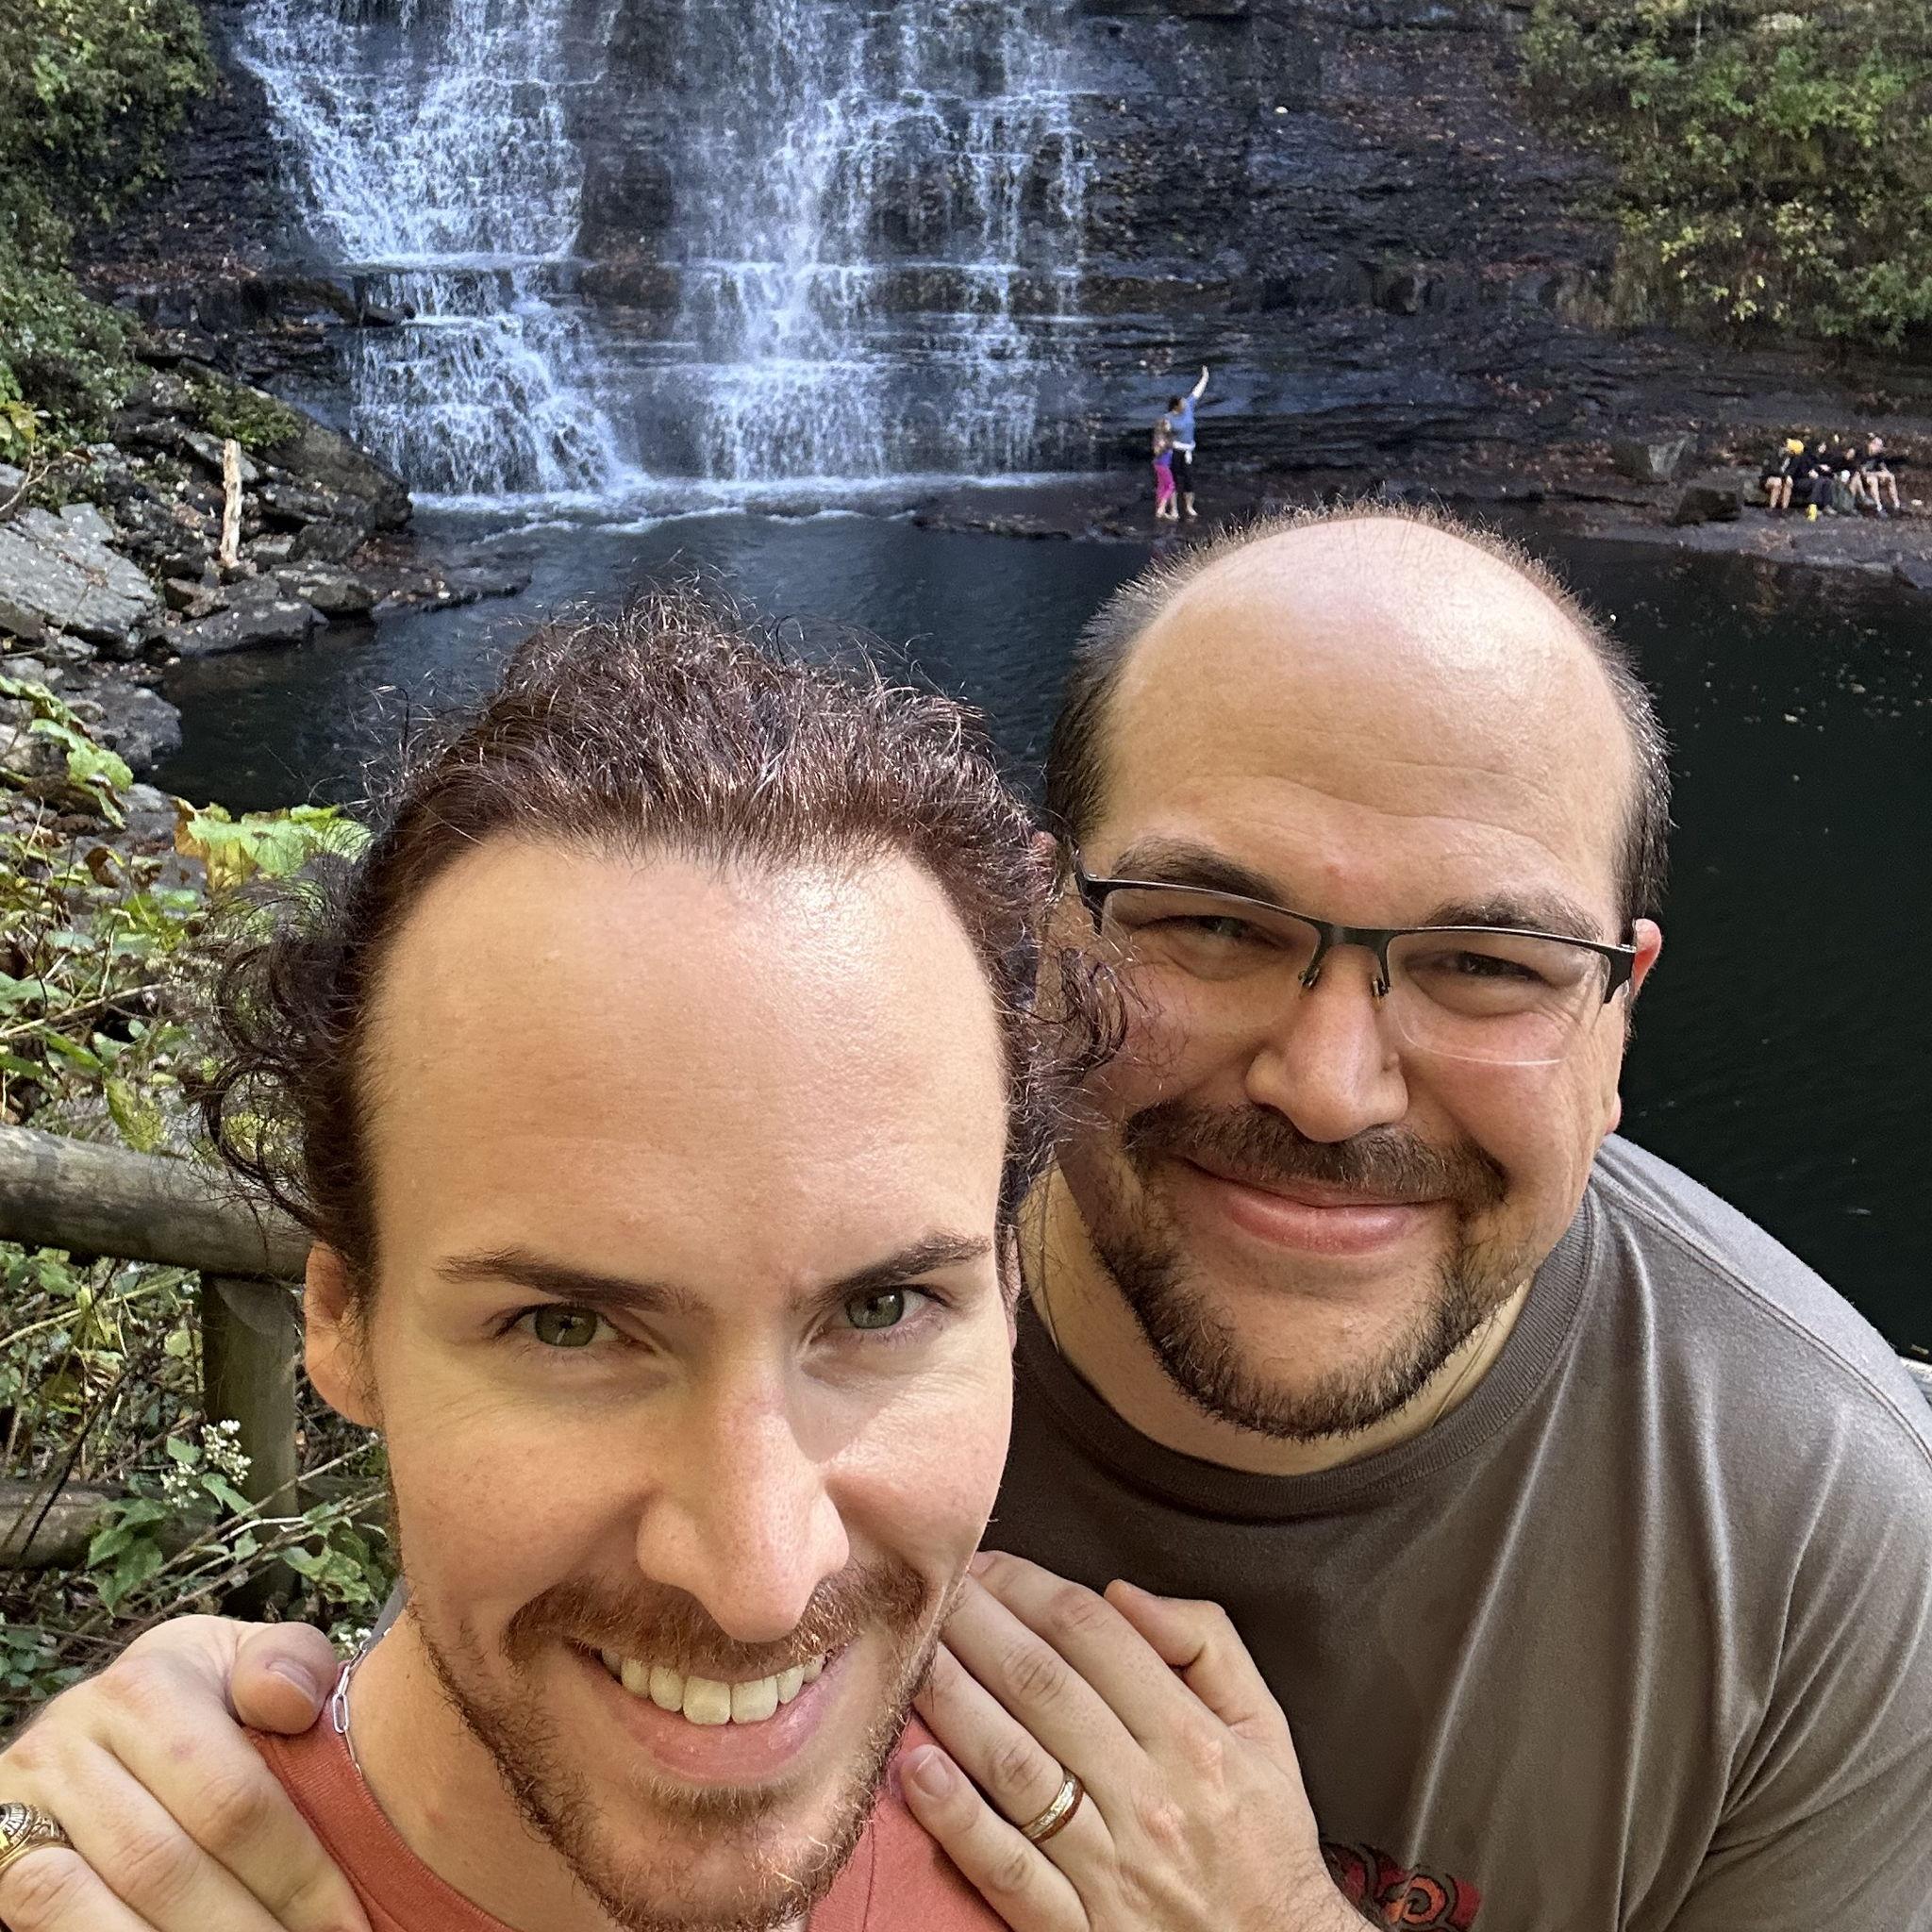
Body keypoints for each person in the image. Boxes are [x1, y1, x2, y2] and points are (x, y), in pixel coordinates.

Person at [10, 508, 1932, 1932]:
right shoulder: (858, 1128)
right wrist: (170, 1766)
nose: (1333, 1083)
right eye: (1210, 924)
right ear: (1047, 936)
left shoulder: (1828, 1539)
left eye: (1490, 963)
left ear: (1619, 1009)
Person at [1164, 364, 1209, 520]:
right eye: (1181, 402)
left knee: (1188, 479)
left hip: (1187, 450)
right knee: (1174, 480)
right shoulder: (1169, 418)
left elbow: (1197, 392)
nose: (1185, 402)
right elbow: (1164, 434)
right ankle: (1174, 510)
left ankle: (1189, 507)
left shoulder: (1189, 406)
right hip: (1175, 450)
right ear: (1175, 407)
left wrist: (1205, 377)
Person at [1861, 434, 1903, 515]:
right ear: (1872, 445)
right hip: (1862, 478)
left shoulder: (1878, 456)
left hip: (1874, 475)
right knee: (1873, 480)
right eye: (1878, 446)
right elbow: (1863, 472)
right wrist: (1878, 474)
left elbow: (1883, 467)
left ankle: (1896, 504)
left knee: (1891, 477)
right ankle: (1878, 506)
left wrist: (1885, 473)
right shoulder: (1863, 454)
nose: (1880, 449)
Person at [1758, 436, 1803, 512]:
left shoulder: (1794, 457)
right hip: (1768, 478)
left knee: (1788, 483)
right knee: (1778, 482)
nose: (1792, 454)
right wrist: (1786, 476)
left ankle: (1784, 509)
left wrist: (1788, 476)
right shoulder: (1774, 454)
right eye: (1791, 451)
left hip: (1782, 478)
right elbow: (1774, 470)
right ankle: (1772, 508)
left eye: (1794, 453)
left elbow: (1792, 470)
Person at [1150, 414, 1177, 522]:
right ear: (1163, 426)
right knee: (1170, 485)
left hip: (1158, 465)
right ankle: (1162, 507)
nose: (1170, 425)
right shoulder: (1161, 438)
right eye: (1168, 423)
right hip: (1163, 465)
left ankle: (1159, 508)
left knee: (1162, 485)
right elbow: (1159, 449)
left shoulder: (1159, 436)